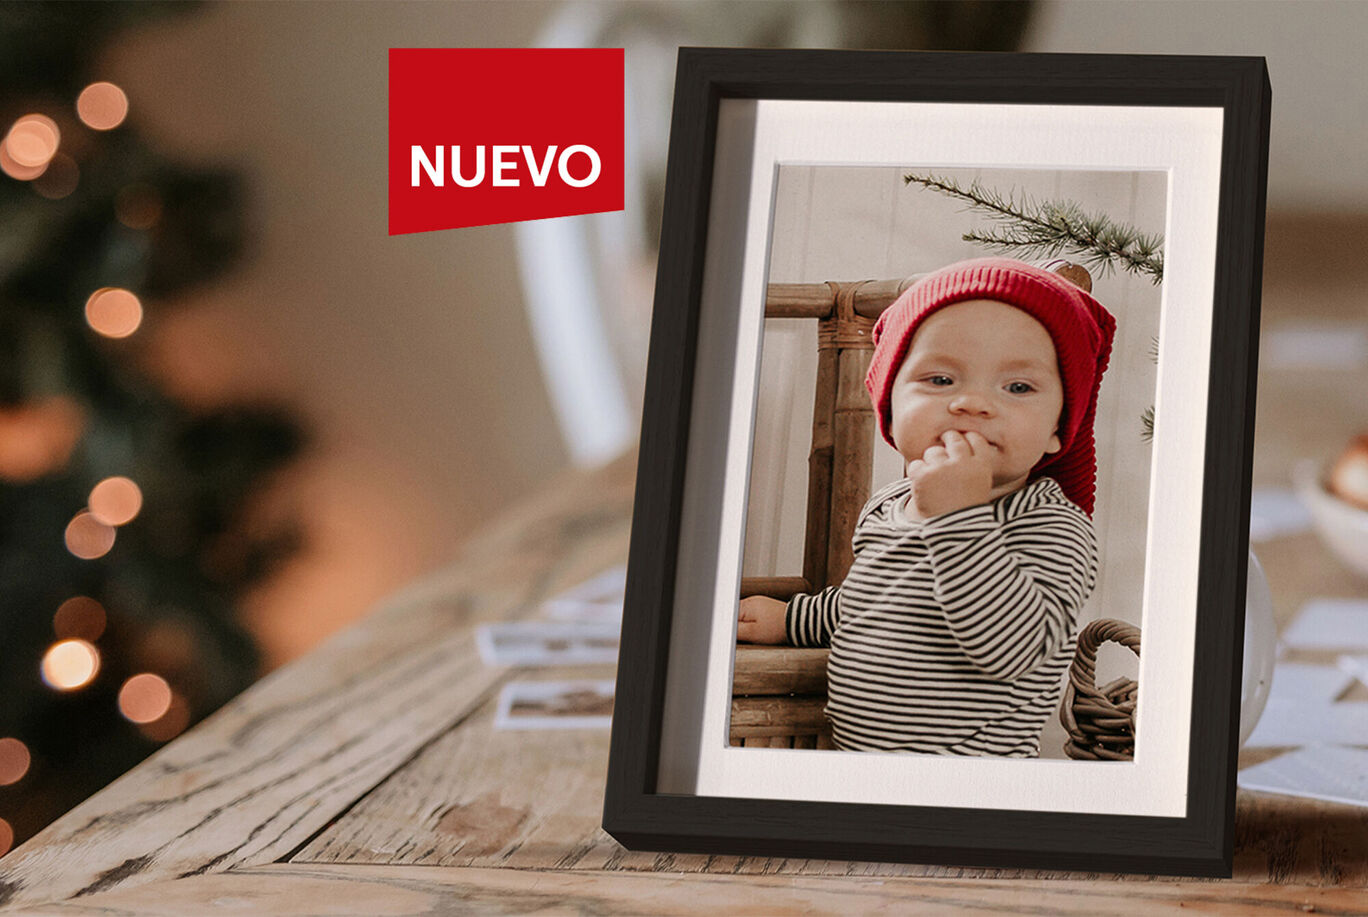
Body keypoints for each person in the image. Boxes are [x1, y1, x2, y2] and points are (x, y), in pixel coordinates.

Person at [737, 257, 1117, 756]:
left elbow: (1012, 650)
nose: (973, 403)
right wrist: (792, 620)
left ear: (1057, 429)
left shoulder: (1050, 526)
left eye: (1018, 387)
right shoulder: (892, 504)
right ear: (890, 405)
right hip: (855, 758)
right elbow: (874, 600)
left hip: (968, 774)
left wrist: (958, 517)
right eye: (940, 380)